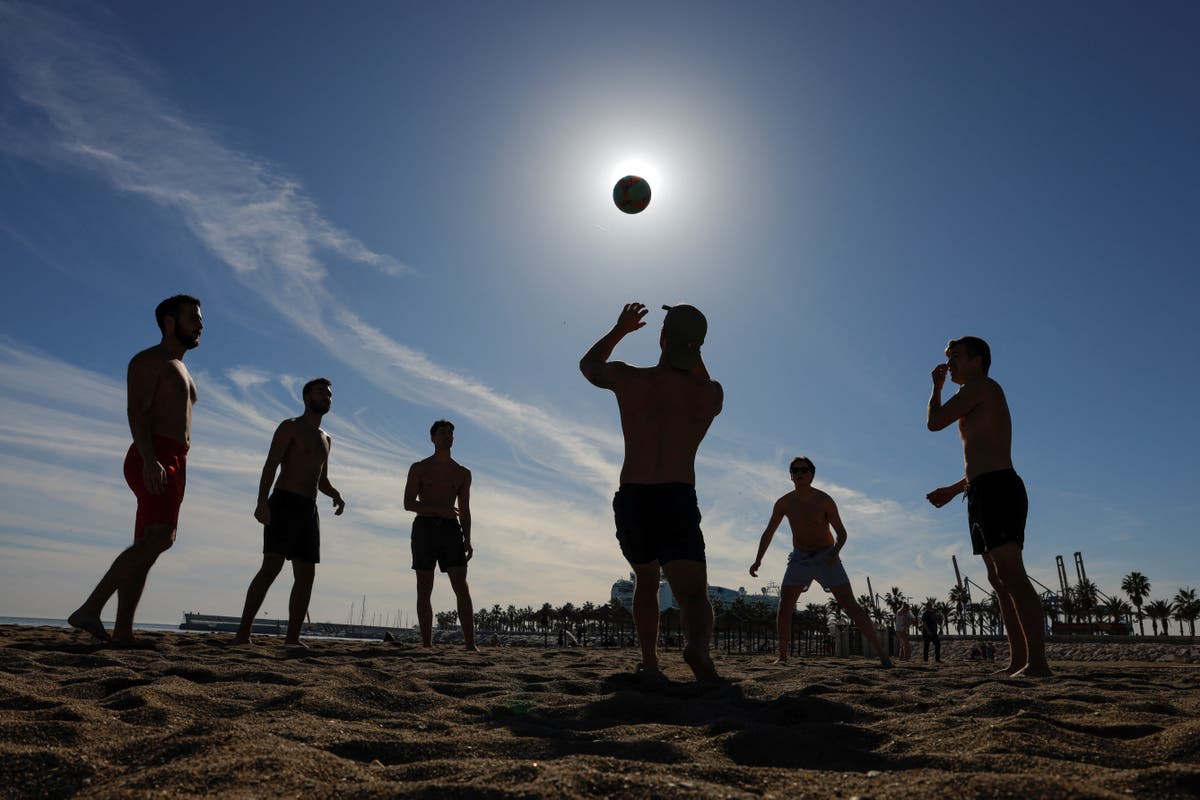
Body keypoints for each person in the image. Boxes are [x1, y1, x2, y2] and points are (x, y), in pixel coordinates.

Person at [580, 303, 723, 682]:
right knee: (693, 594)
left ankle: (650, 661)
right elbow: (707, 386)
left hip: (634, 497)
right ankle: (697, 646)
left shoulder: (630, 379)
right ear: (697, 349)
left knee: (645, 580)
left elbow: (589, 365)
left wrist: (621, 328)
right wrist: (691, 345)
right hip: (676, 496)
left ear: (661, 338)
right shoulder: (708, 394)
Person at [68, 295, 203, 644]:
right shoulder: (150, 360)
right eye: (192, 318)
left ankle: (123, 631)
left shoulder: (180, 366)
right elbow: (136, 412)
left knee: (147, 544)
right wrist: (150, 460)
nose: (200, 324)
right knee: (160, 538)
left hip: (174, 457)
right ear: (170, 322)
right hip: (155, 454)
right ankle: (90, 608)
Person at [926, 336, 1051, 677]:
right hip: (980, 489)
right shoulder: (973, 393)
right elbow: (979, 459)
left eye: (956, 357)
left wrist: (936, 388)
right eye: (948, 358)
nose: (950, 364)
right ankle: (1017, 659)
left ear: (977, 360)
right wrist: (955, 489)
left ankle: (1038, 663)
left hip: (1000, 488)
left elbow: (935, 422)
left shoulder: (982, 387)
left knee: (1012, 574)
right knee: (997, 579)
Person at [232, 378, 346, 647]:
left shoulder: (326, 438)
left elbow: (322, 480)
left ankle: (292, 639)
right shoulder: (290, 427)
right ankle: (242, 633)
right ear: (306, 397)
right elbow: (271, 464)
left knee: (306, 576)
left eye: (329, 394)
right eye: (321, 393)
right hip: (283, 502)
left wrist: (336, 495)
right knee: (271, 567)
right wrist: (262, 501)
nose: (327, 397)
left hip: (309, 508)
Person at [749, 457, 893, 668]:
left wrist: (835, 551)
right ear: (790, 475)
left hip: (826, 556)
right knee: (785, 605)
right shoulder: (784, 502)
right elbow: (768, 532)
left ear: (811, 474)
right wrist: (758, 559)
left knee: (850, 605)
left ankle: (882, 655)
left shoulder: (824, 500)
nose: (799, 473)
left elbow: (842, 533)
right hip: (799, 558)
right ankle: (782, 656)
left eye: (804, 470)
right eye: (795, 470)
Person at [405, 419, 477, 651]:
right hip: (425, 528)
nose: (447, 436)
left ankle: (470, 644)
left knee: (461, 586)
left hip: (450, 530)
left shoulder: (462, 473)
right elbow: (408, 503)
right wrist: (437, 509)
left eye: (450, 433)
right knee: (424, 587)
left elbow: (464, 510)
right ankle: (426, 643)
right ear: (433, 438)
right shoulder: (419, 467)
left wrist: (467, 538)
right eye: (442, 432)